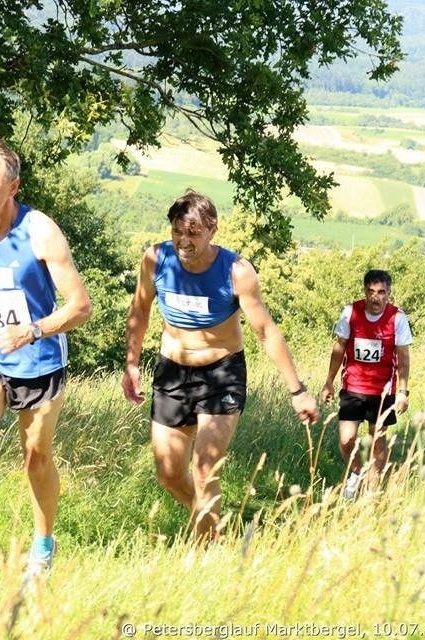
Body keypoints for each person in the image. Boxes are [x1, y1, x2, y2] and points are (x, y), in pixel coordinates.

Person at [121, 189, 319, 541]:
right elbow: (139, 309)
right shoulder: (156, 259)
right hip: (172, 372)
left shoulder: (236, 271)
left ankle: (204, 549)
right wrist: (132, 363)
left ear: (212, 229)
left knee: (204, 467)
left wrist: (298, 390)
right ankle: (212, 525)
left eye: (193, 232)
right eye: (177, 231)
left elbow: (265, 330)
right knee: (168, 474)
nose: (184, 240)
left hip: (221, 374)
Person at [0, 138, 92, 592]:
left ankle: (43, 549)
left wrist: (32, 331)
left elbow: (81, 306)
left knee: (35, 459)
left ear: (13, 186)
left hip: (40, 359)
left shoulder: (40, 231)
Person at [320, 269, 412, 499]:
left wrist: (402, 391)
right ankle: (358, 472)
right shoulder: (351, 312)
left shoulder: (397, 318)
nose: (376, 297)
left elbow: (403, 357)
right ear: (365, 291)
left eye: (381, 292)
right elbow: (339, 346)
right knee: (346, 438)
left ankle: (373, 488)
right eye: (371, 291)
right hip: (353, 386)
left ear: (388, 293)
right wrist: (329, 381)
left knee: (377, 437)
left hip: (383, 390)